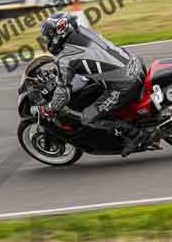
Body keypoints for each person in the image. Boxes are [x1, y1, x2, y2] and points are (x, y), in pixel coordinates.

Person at [39, 12, 156, 157]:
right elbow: (91, 59)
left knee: (89, 117)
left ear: (58, 34)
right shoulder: (84, 31)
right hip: (136, 65)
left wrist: (50, 109)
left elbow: (63, 93)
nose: (48, 41)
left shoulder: (66, 58)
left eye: (48, 37)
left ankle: (137, 135)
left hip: (125, 84)